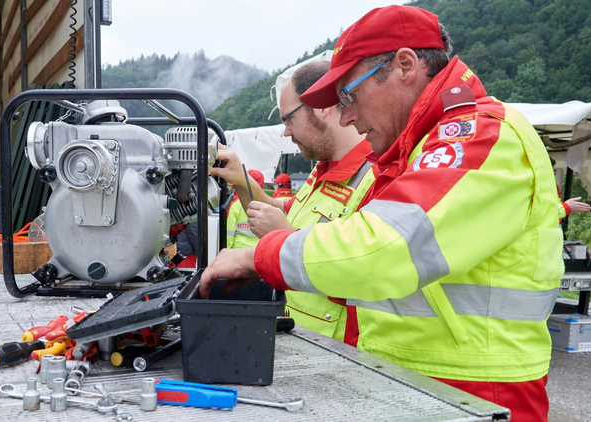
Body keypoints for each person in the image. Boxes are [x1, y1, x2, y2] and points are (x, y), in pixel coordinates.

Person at [201, 6, 563, 421]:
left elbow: (383, 249)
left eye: (349, 96)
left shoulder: (480, 135)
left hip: (475, 395)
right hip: (416, 386)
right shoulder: (415, 151)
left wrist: (256, 256)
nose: (348, 116)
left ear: (405, 65)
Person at [210, 61, 376, 341]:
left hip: (341, 354)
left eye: (289, 119)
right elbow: (280, 212)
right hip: (305, 341)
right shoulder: (321, 171)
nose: (286, 131)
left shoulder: (375, 176)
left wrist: (283, 238)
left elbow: (361, 268)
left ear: (323, 106)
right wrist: (241, 178)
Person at [226, 169, 264, 249]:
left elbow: (229, 233)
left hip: (237, 252)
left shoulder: (236, 205)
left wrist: (226, 251)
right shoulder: (266, 205)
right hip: (258, 251)